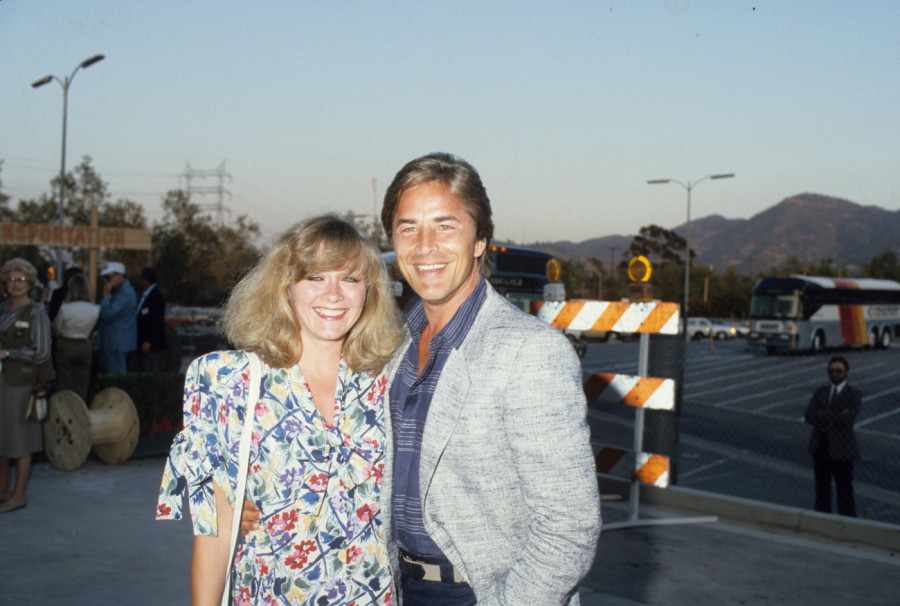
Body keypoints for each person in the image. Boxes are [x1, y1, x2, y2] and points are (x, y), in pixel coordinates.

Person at [157, 215, 404, 605]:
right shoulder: (230, 382)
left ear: (369, 291)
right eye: (315, 277)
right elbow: (215, 533)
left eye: (350, 279)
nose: (334, 294)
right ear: (285, 286)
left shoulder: (389, 381)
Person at [0, 258, 55, 514]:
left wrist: (9, 353)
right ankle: (2, 490)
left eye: (21, 279)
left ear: (30, 283)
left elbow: (41, 352)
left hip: (21, 386)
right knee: (2, 439)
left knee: (21, 441)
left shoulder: (36, 311)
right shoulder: (3, 310)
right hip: (3, 383)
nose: (16, 284)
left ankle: (18, 494)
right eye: (11, 279)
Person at [805, 355, 862, 517]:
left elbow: (848, 419)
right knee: (821, 491)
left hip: (842, 450)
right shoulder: (821, 392)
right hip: (820, 447)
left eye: (839, 371)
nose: (835, 374)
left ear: (847, 372)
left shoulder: (853, 394)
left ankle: (848, 523)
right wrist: (837, 415)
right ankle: (822, 521)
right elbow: (809, 416)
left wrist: (823, 415)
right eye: (831, 371)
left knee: (844, 492)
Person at [52, 273, 100, 402]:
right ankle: (80, 406)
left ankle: (66, 406)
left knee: (64, 380)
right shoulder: (95, 309)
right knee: (82, 382)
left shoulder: (65, 308)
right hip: (84, 344)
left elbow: (57, 329)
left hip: (66, 344)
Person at [95, 261, 137, 375]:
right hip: (112, 342)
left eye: (108, 278)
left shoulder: (125, 294)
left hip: (117, 343)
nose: (106, 281)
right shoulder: (118, 291)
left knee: (116, 376)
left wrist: (106, 296)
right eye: (104, 278)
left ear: (120, 275)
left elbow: (108, 314)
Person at [134, 267, 168, 372]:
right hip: (142, 342)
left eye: (140, 279)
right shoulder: (145, 295)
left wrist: (148, 340)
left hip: (152, 344)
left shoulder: (156, 296)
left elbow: (155, 320)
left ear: (145, 280)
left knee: (151, 368)